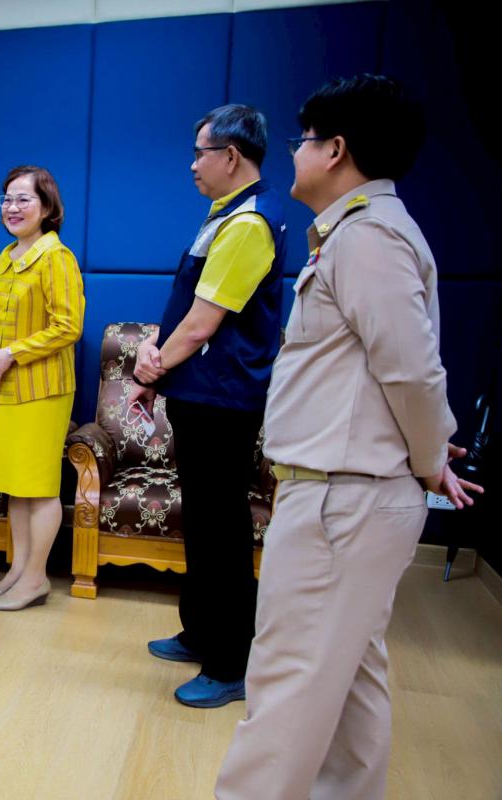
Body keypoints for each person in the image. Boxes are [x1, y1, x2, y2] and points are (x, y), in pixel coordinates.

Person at [216, 75, 482, 799]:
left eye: (302, 140)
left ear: (335, 150)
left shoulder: (367, 237)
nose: (294, 153)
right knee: (350, 685)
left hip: (341, 501)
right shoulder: (363, 232)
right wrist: (426, 457)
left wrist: (430, 456)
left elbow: (413, 369)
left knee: (286, 686)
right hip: (351, 497)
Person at [131, 105, 287, 708]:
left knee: (223, 531)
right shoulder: (223, 213)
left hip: (223, 399)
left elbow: (202, 324)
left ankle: (230, 662)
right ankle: (199, 632)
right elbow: (185, 308)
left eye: (200, 153)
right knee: (201, 520)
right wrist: (156, 361)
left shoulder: (249, 223)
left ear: (231, 156)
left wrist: (151, 366)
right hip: (198, 393)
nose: (193, 164)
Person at [0, 166, 85, 611]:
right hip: (6, 387)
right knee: (15, 485)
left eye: (23, 199)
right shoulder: (4, 258)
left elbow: (68, 326)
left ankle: (37, 578)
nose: (12, 207)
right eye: (6, 199)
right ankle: (17, 571)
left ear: (47, 207)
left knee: (39, 487)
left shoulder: (57, 257)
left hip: (44, 390)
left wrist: (10, 354)